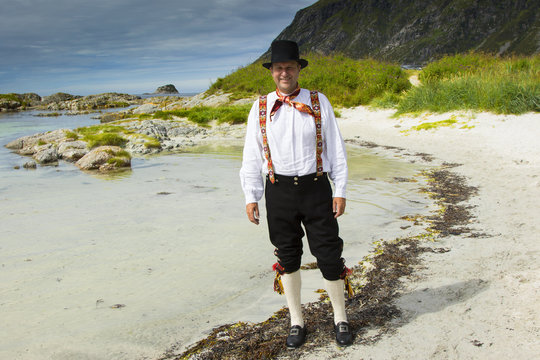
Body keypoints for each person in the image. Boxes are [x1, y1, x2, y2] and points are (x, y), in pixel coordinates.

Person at [239, 40, 353, 349]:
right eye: (279, 68)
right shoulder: (260, 107)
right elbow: (252, 155)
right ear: (272, 72)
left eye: (289, 67)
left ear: (298, 69)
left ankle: (340, 318)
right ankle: (296, 321)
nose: (284, 73)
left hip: (317, 189)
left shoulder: (318, 102)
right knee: (287, 258)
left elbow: (336, 149)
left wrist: (339, 189)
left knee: (329, 255)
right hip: (278, 192)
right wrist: (251, 195)